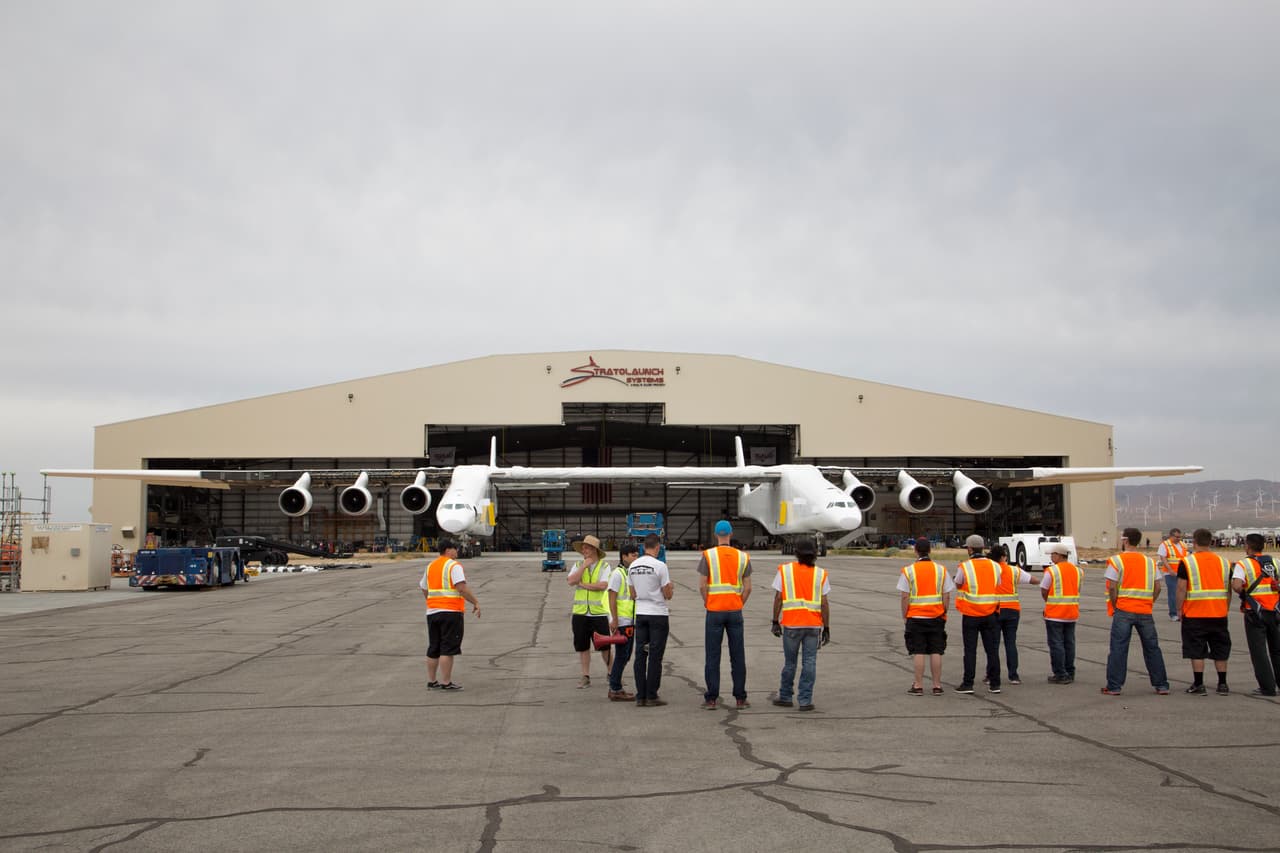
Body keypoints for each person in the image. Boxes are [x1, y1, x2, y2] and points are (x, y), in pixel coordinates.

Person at [1101, 527, 1169, 695]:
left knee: (1119, 648)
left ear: (1125, 541)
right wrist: (1149, 601)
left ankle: (1114, 686)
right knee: (1152, 648)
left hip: (1124, 609)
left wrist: (1116, 605)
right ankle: (1161, 685)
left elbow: (1112, 587)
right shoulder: (1150, 562)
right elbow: (1158, 586)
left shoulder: (1117, 561)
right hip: (1145, 610)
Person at [769, 537, 830, 711]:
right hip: (812, 625)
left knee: (790, 663)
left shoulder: (785, 571)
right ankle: (805, 700)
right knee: (809, 662)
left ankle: (786, 696)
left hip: (791, 625)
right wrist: (827, 627)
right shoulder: (821, 574)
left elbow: (778, 598)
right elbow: (824, 603)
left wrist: (775, 621)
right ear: (815, 554)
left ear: (796, 553)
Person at [699, 519, 753, 710]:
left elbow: (702, 585)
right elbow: (748, 588)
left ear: (716, 535)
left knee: (713, 656)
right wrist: (738, 603)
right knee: (737, 655)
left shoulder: (708, 555)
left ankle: (712, 698)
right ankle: (740, 697)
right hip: (734, 611)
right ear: (730, 534)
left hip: (714, 611)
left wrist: (709, 602)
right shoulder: (743, 557)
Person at [1176, 528, 1233, 695]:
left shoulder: (1187, 562)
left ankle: (1199, 684)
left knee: (1196, 649)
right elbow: (1228, 590)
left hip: (1195, 613)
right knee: (1220, 649)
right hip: (1219, 613)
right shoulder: (1224, 562)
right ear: (1211, 542)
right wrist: (1225, 607)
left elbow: (1181, 588)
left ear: (1194, 542)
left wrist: (1179, 609)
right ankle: (1222, 684)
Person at [420, 538, 481, 691]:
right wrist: (475, 602)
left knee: (434, 647)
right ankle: (446, 682)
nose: (457, 551)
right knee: (447, 648)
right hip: (451, 612)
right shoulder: (454, 566)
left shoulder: (431, 566)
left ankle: (432, 681)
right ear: (448, 550)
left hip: (432, 612)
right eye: (455, 548)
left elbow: (423, 587)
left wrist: (431, 600)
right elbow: (461, 588)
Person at [898, 536, 954, 695]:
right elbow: (947, 595)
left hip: (915, 617)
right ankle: (937, 685)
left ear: (915, 551)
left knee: (919, 652)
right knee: (936, 651)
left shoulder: (908, 571)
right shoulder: (941, 570)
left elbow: (904, 596)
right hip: (936, 616)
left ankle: (918, 685)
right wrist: (944, 611)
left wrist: (905, 615)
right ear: (930, 550)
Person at [1232, 533, 1280, 696]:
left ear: (1248, 546)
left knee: (1259, 651)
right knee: (1277, 649)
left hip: (1256, 612)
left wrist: (1243, 590)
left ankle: (1267, 687)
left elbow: (1237, 585)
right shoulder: (1275, 562)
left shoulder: (1243, 564)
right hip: (1276, 611)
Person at [628, 533, 673, 707]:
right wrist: (670, 589)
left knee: (640, 655)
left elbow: (632, 594)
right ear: (657, 547)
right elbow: (667, 595)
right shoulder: (660, 566)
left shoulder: (633, 566)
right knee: (655, 656)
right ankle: (652, 695)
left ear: (643, 547)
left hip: (641, 613)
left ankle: (641, 696)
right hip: (658, 614)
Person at [953, 534, 1002, 694]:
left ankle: (968, 683)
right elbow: (997, 583)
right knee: (992, 650)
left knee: (970, 650)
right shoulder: (995, 566)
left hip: (971, 613)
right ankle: (995, 683)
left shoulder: (965, 566)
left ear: (970, 549)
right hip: (990, 613)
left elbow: (958, 583)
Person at [567, 533, 612, 689]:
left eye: (587, 547)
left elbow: (603, 585)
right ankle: (585, 676)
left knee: (605, 646)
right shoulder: (578, 564)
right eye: (583, 547)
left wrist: (583, 584)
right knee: (583, 646)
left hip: (598, 613)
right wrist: (584, 566)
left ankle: (611, 673)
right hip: (580, 613)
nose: (584, 550)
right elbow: (571, 581)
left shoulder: (604, 566)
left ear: (594, 550)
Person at [992, 543, 1036, 685]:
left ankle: (991, 674)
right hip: (1012, 610)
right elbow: (1033, 580)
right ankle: (1013, 675)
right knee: (1010, 643)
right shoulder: (1014, 571)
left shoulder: (991, 570)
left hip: (995, 610)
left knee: (993, 644)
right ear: (1004, 557)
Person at [1041, 542, 1083, 685]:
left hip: (1055, 613)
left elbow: (1044, 589)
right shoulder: (1078, 571)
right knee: (1069, 643)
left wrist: (1049, 601)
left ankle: (1060, 673)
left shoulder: (1052, 571)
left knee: (1056, 643)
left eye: (1052, 554)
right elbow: (1078, 589)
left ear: (1059, 555)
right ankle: (1070, 671)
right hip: (1071, 612)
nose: (1051, 557)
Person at [606, 542, 639, 701]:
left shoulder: (630, 573)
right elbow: (611, 597)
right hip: (622, 622)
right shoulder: (618, 574)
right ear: (624, 556)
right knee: (621, 655)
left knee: (625, 656)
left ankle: (616, 686)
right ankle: (615, 688)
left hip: (630, 621)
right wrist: (614, 620)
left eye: (637, 555)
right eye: (633, 555)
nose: (636, 557)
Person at [1157, 528, 1188, 621]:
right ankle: (1173, 614)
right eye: (1177, 537)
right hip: (1170, 574)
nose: (1178, 539)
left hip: (1182, 573)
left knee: (1183, 593)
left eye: (1180, 537)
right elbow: (1163, 558)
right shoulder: (1165, 545)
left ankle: (1182, 612)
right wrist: (1170, 570)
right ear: (1171, 536)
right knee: (1173, 593)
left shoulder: (1183, 545)